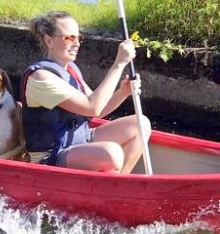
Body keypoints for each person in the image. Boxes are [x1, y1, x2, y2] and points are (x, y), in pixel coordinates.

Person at [21, 10, 151, 173]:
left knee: (141, 124)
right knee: (112, 153)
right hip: (52, 156)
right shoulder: (41, 77)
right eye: (69, 38)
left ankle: (117, 185)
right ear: (49, 41)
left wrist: (122, 92)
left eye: (79, 37)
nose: (77, 43)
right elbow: (93, 107)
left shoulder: (71, 70)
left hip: (80, 140)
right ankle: (113, 187)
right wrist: (118, 64)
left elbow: (98, 111)